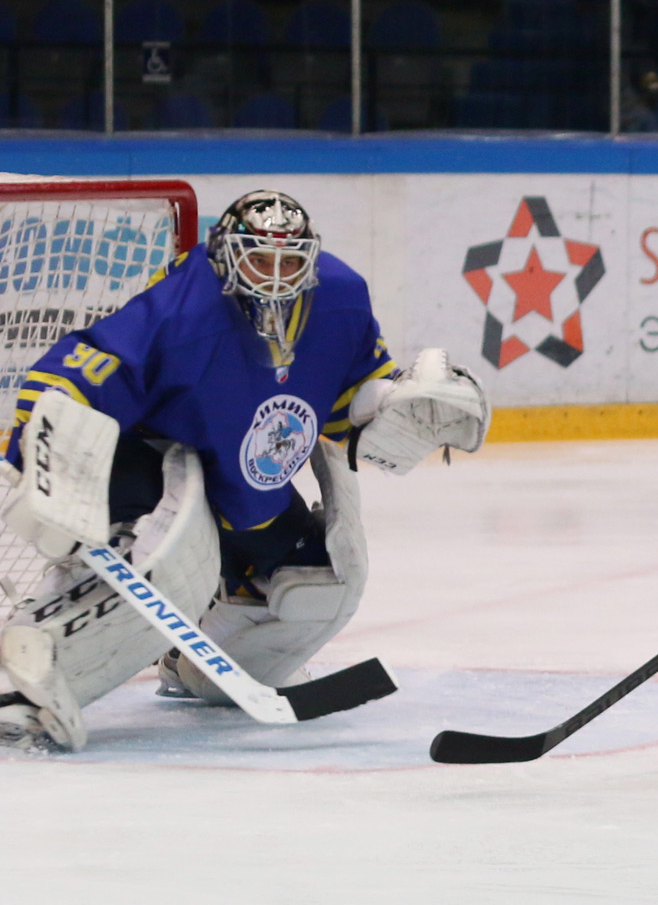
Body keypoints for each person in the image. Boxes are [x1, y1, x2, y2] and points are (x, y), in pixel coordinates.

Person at [0, 190, 490, 752]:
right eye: (259, 259)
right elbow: (70, 375)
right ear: (225, 256)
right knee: (165, 565)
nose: (276, 276)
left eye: (290, 261)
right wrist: (44, 458)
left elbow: (346, 399)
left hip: (245, 488)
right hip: (158, 467)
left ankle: (201, 669)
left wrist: (391, 407)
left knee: (318, 583)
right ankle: (22, 685)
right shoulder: (183, 311)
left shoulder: (341, 298)